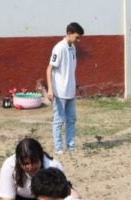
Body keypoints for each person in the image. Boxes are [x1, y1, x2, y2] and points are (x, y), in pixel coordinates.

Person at [47, 22, 84, 155]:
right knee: (58, 120)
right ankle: (58, 147)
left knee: (71, 119)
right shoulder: (59, 48)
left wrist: (76, 84)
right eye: (77, 37)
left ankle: (71, 145)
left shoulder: (72, 48)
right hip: (60, 91)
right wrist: (50, 89)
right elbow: (49, 68)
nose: (78, 40)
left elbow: (70, 69)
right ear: (69, 33)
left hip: (70, 91)